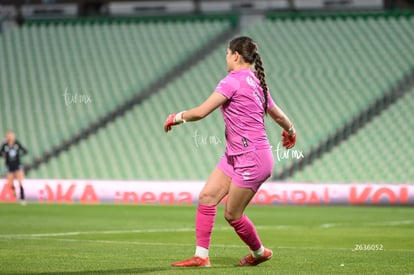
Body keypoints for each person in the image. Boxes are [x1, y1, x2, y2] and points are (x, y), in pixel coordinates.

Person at [164, 36, 296, 267]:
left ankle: (260, 253)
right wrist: (291, 130)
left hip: (252, 158)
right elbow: (277, 114)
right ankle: (201, 257)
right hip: (236, 155)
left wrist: (177, 117)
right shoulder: (257, 82)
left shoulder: (232, 81)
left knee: (232, 215)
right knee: (207, 197)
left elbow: (202, 112)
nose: (225, 58)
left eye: (227, 53)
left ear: (235, 55)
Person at [0, 130, 28, 204]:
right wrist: (4, 156)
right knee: (10, 183)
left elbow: (25, 151)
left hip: (17, 165)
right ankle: (14, 195)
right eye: (8, 135)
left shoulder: (17, 143)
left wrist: (20, 156)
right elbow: (0, 153)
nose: (10, 136)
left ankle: (22, 198)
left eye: (11, 135)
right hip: (9, 166)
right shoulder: (4, 145)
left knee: (20, 181)